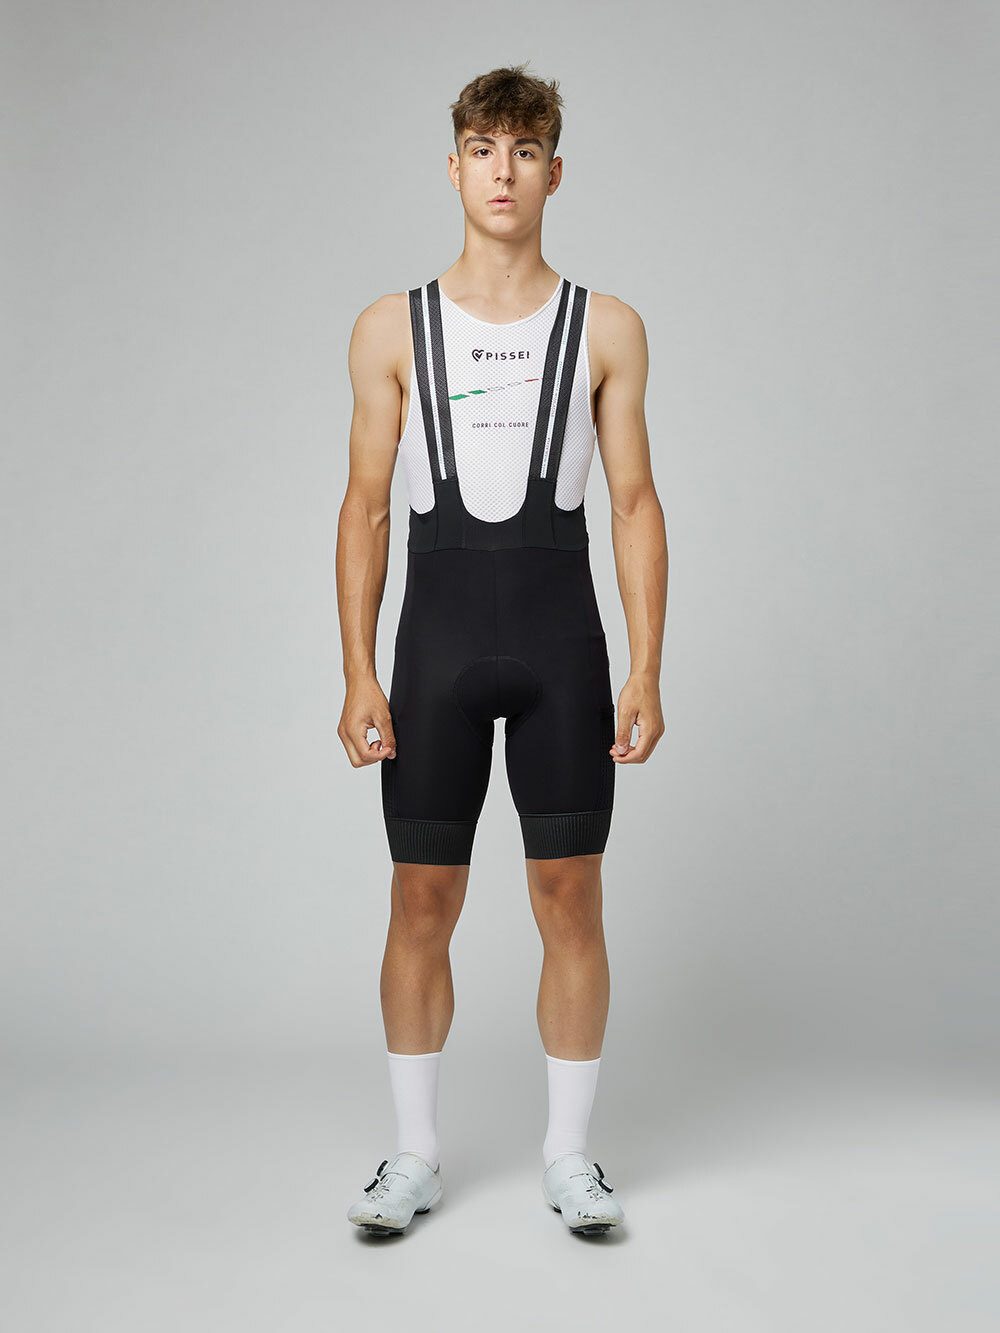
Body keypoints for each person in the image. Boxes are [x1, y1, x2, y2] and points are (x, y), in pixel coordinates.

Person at [336, 63, 668, 1237]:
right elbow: (364, 506)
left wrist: (644, 667)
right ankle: (413, 1154)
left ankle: (569, 1156)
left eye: (525, 151)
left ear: (553, 172)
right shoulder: (391, 327)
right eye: (483, 148)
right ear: (453, 166)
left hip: (557, 646)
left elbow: (632, 502)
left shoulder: (605, 326)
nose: (503, 171)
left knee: (569, 896)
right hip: (432, 650)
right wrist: (358, 670)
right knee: (420, 897)